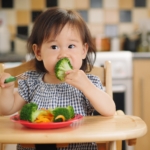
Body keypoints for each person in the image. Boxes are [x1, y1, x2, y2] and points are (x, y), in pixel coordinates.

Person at [0, 7, 115, 150]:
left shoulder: (88, 82)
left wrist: (87, 87)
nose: (63, 55)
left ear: (83, 51)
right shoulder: (31, 81)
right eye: (54, 47)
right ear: (38, 52)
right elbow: (6, 109)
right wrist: (7, 89)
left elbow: (110, 110)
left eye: (71, 46)